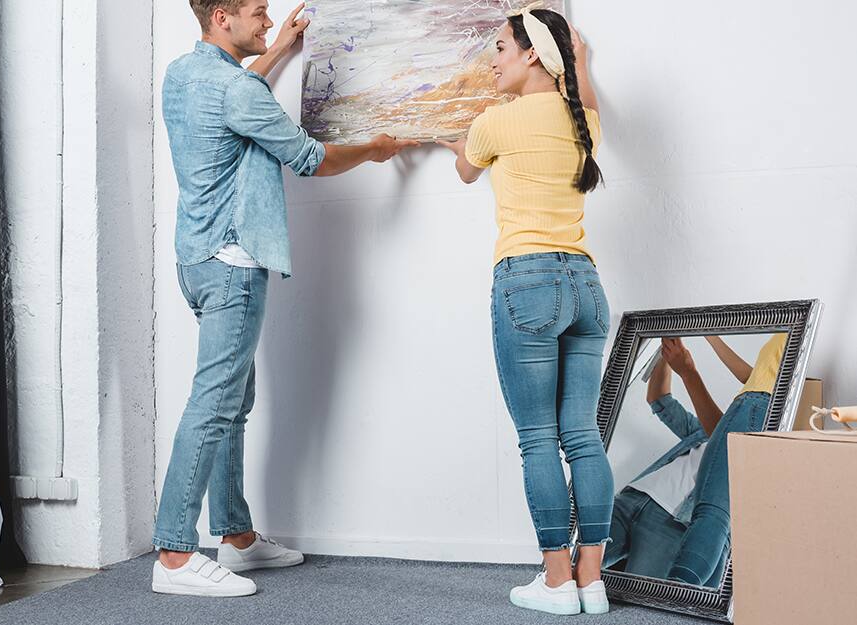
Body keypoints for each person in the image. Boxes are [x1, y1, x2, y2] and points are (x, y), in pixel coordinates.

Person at [152, 0, 417, 598]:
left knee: (231, 403)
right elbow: (310, 160)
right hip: (234, 265)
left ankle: (236, 536)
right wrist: (373, 150)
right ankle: (173, 553)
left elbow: (237, 90)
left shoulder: (183, 74)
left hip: (196, 261)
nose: (268, 22)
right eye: (258, 13)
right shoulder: (239, 92)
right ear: (222, 17)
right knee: (214, 405)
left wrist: (277, 51)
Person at [438, 6, 610, 616]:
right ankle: (591, 579)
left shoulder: (494, 122)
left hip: (527, 281)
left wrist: (453, 141)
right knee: (583, 436)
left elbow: (466, 170)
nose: (494, 61)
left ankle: (557, 582)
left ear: (532, 54)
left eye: (501, 49)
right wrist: (579, 62)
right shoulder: (583, 119)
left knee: (538, 438)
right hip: (586, 285)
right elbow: (584, 100)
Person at [666, 333, 787, 585]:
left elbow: (757, 383)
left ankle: (677, 592)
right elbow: (751, 376)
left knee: (712, 512)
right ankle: (697, 601)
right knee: (725, 526)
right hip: (771, 418)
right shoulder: (803, 336)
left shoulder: (803, 329)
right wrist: (712, 336)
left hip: (754, 405)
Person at [606, 341, 727, 584]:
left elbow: (726, 442)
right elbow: (660, 399)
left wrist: (688, 371)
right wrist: (668, 349)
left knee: (641, 597)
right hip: (631, 498)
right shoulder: (703, 431)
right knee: (570, 568)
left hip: (671, 525)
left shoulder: (751, 454)